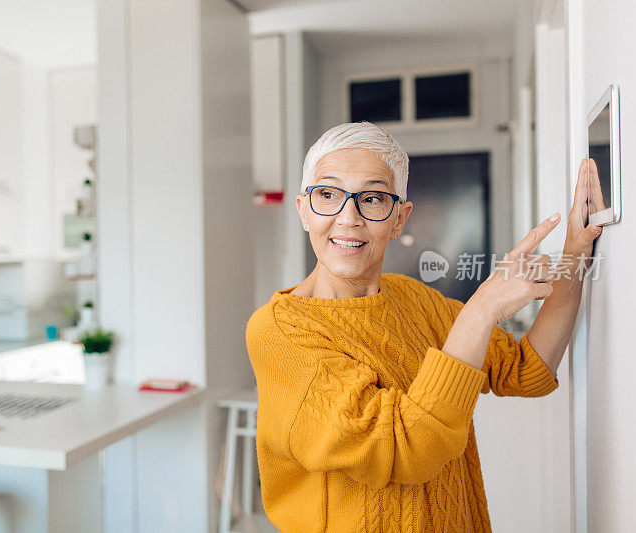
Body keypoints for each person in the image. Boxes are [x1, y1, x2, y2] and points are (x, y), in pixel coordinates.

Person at [245, 121, 601, 532]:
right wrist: (479, 311)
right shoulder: (279, 331)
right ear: (304, 210)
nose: (348, 218)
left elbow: (527, 369)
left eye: (373, 198)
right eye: (328, 194)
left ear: (399, 219)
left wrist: (575, 250)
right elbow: (403, 449)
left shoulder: (415, 299)